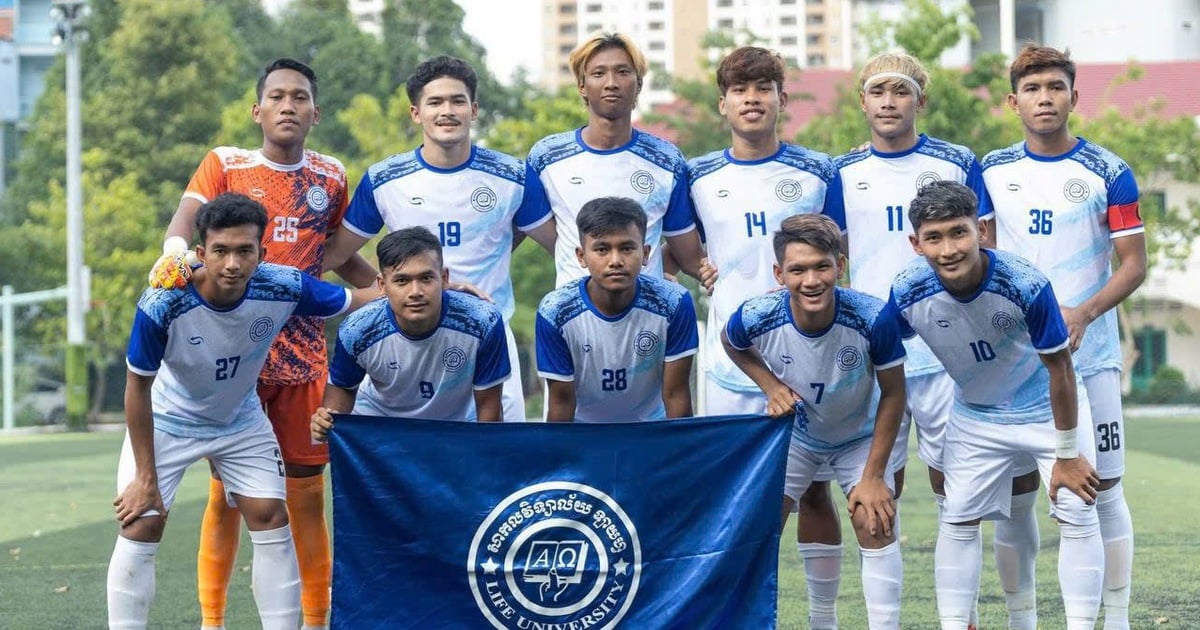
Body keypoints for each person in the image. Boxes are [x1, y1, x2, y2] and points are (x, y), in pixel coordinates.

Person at [145, 58, 376, 630]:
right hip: (233, 365)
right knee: (226, 498)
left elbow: (339, 256)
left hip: (302, 362)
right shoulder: (226, 163)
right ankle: (213, 621)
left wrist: (394, 288)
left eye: (300, 97)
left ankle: (315, 620)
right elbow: (185, 223)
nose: (289, 105)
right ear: (258, 110)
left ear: (315, 113)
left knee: (303, 499)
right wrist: (175, 254)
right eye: (277, 96)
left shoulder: (330, 176)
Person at [109, 194, 370, 630]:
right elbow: (137, 389)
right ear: (200, 253)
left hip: (239, 421)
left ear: (261, 253)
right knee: (142, 520)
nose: (232, 263)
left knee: (271, 514)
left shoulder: (283, 285)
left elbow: (357, 300)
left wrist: (429, 288)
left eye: (244, 251)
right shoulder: (162, 303)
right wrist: (146, 480)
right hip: (169, 422)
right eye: (221, 251)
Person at [888, 180, 1104, 630]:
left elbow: (1061, 370)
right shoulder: (908, 291)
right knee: (958, 520)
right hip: (976, 416)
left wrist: (1066, 453)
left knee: (1079, 510)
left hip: (1048, 411)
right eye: (934, 237)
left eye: (958, 232)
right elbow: (881, 348)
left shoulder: (1025, 284)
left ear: (981, 230)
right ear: (916, 243)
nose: (948, 248)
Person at [980, 44, 1145, 630]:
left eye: (1055, 87)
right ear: (1013, 101)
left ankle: (1116, 619)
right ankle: (1022, 619)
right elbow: (983, 254)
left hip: (1091, 356)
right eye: (1032, 89)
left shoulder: (1109, 171)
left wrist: (1083, 312)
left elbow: (1133, 264)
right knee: (1017, 492)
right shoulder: (991, 171)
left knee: (1104, 489)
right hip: (1015, 363)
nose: (1044, 98)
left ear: (1075, 96)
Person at [836, 51, 1000, 628]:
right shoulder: (842, 172)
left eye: (900, 92)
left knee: (955, 492)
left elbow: (987, 246)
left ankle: (964, 618)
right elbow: (833, 259)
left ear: (919, 101)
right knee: (879, 491)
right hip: (872, 360)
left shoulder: (956, 162)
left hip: (946, 355)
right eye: (877, 92)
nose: (888, 102)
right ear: (862, 101)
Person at [686, 45, 848, 628]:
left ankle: (822, 619)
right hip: (730, 358)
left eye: (764, 88)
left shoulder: (817, 171)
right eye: (740, 89)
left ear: (783, 99)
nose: (752, 98)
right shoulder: (698, 174)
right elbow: (685, 245)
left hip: (804, 357)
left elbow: (837, 255)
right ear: (722, 102)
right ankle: (733, 614)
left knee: (811, 491)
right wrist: (698, 266)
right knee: (729, 495)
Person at [320, 56, 555, 421]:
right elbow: (334, 255)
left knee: (500, 462)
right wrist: (382, 289)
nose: (448, 111)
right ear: (416, 113)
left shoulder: (514, 176)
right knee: (393, 462)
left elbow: (566, 246)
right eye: (435, 102)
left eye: (457, 101)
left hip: (488, 341)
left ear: (474, 109)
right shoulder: (384, 180)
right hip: (407, 338)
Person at [722, 214, 905, 629]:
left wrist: (874, 475)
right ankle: (821, 623)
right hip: (798, 436)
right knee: (758, 528)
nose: (811, 280)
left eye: (822, 266)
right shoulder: (755, 315)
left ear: (840, 265)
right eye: (797, 269)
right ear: (778, 273)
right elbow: (732, 344)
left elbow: (894, 393)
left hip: (858, 436)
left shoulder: (873, 318)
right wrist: (769, 385)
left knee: (874, 519)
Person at [525, 32, 707, 289]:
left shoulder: (667, 161)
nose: (611, 83)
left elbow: (689, 255)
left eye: (622, 72)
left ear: (639, 84)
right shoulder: (545, 157)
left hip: (647, 318)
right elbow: (542, 240)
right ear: (581, 85)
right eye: (599, 74)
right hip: (572, 317)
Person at [310, 227, 510, 440]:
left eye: (426, 278)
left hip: (456, 425)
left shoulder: (482, 321)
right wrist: (326, 422)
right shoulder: (357, 329)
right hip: (380, 422)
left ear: (444, 278)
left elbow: (490, 410)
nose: (415, 292)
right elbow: (341, 394)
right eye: (402, 281)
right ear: (382, 285)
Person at [536, 197, 697, 422]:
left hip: (651, 429)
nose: (615, 261)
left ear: (646, 253)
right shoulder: (555, 312)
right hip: (585, 433)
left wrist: (678, 454)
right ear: (581, 257)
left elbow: (676, 393)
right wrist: (563, 457)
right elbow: (562, 402)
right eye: (602, 249)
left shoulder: (674, 303)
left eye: (627, 248)